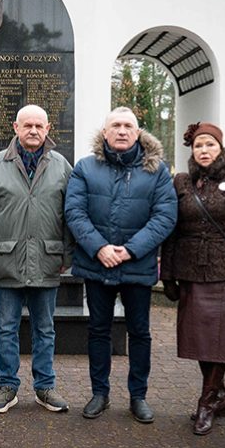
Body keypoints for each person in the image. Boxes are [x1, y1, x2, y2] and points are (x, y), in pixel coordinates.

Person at [65, 106, 176, 422]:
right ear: (105, 132)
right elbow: (74, 212)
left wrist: (129, 250)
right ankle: (99, 393)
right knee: (98, 330)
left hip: (136, 266)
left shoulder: (157, 171)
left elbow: (165, 216)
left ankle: (138, 396)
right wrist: (99, 248)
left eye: (129, 126)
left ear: (138, 133)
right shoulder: (85, 168)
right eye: (116, 125)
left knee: (140, 332)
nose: (122, 131)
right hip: (96, 264)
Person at [159, 122, 225, 435]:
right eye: (198, 146)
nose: (203, 151)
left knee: (222, 337)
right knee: (200, 339)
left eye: (209, 145)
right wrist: (167, 273)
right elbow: (172, 230)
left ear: (220, 147)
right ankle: (218, 394)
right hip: (191, 269)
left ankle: (206, 401)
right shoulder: (181, 181)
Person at [0, 104, 74, 414]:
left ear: (48, 130)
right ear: (15, 127)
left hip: (47, 260)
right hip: (7, 260)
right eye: (27, 125)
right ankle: (7, 387)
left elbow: (71, 214)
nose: (33, 130)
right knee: (6, 328)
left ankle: (45, 388)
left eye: (39, 126)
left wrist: (67, 255)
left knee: (45, 328)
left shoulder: (61, 165)